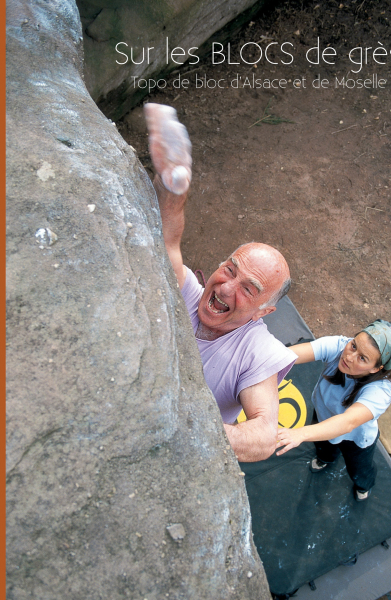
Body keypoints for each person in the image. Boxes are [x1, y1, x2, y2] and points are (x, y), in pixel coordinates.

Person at [145, 103, 296, 463]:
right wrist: (174, 183)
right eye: (230, 270)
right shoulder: (188, 293)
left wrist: (178, 426)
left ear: (264, 311)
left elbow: (262, 436)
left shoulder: (257, 351)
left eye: (248, 289)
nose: (227, 288)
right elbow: (168, 240)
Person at [275, 320, 391, 501]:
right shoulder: (340, 346)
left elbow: (347, 422)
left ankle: (363, 485)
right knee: (323, 448)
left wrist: (300, 434)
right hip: (322, 416)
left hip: (355, 438)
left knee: (359, 468)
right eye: (353, 346)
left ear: (376, 368)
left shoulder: (381, 390)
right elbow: (289, 354)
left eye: (362, 358)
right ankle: (325, 459)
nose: (349, 356)